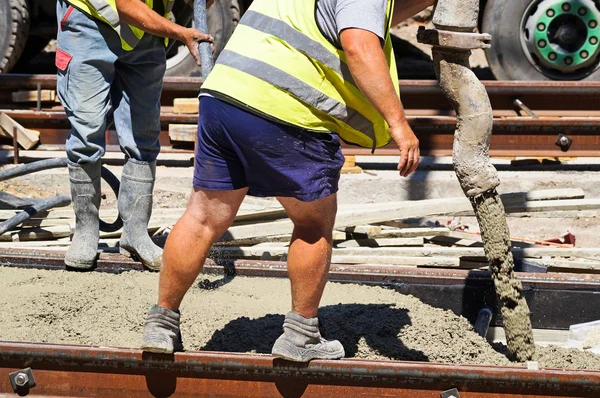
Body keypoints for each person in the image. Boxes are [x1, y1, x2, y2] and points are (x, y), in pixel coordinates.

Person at [141, 0, 432, 362]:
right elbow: (359, 44)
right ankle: (302, 336)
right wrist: (399, 125)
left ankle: (161, 324)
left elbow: (350, 16)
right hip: (286, 107)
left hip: (224, 97)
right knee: (313, 223)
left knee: (201, 219)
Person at [55, 0, 213, 270]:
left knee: (144, 135)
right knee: (86, 132)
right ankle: (86, 231)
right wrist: (179, 32)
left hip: (147, 32)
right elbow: (125, 5)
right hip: (91, 21)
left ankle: (135, 233)